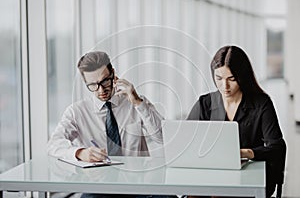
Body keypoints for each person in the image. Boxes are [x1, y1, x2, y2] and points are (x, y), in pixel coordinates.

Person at [47, 51, 175, 198]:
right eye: (93, 85)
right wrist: (80, 152)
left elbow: (161, 137)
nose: (101, 90)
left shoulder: (135, 102)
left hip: (138, 186)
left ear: (113, 74)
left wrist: (137, 102)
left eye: (104, 81)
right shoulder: (77, 112)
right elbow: (53, 144)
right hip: (99, 189)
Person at [187, 45, 286, 198]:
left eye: (231, 79)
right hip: (212, 172)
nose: (224, 86)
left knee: (218, 194)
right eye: (218, 78)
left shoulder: (261, 103)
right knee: (193, 194)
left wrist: (247, 153)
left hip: (249, 175)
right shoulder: (205, 103)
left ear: (242, 77)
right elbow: (186, 140)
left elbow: (277, 147)